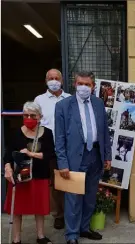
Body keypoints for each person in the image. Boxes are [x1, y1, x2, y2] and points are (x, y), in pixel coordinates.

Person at [54, 71, 112, 244]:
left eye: (87, 84)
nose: (83, 87)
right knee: (73, 198)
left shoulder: (99, 103)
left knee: (90, 197)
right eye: (80, 83)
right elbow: (60, 138)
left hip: (95, 155)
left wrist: (107, 155)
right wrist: (62, 163)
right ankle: (71, 235)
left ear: (93, 86)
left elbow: (104, 132)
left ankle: (84, 228)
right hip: (73, 158)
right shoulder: (63, 106)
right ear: (74, 84)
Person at [4, 101, 55, 244]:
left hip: (40, 175)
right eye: (25, 115)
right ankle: (16, 239)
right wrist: (7, 169)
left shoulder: (47, 133)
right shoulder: (16, 133)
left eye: (33, 115)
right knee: (17, 209)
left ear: (40, 117)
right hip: (20, 176)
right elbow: (7, 156)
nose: (29, 118)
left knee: (39, 208)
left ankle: (40, 236)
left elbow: (50, 154)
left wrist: (30, 154)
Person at [34, 69, 71, 230]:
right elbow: (35, 123)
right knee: (54, 184)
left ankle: (72, 214)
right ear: (46, 80)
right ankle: (58, 215)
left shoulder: (70, 99)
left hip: (68, 147)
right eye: (51, 78)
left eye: (57, 78)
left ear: (62, 81)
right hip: (48, 148)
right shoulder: (39, 100)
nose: (54, 81)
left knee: (69, 181)